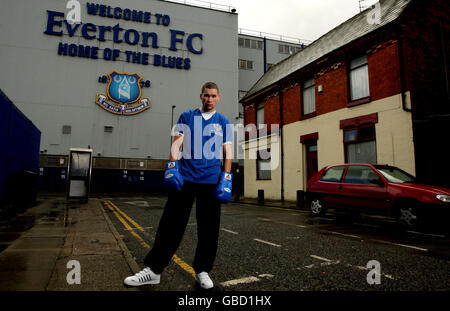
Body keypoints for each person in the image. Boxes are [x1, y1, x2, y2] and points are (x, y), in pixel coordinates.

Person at [124, 82, 233, 289]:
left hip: (211, 180)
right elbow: (177, 143)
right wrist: (172, 166)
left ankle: (202, 270)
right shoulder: (187, 116)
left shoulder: (224, 122)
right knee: (170, 225)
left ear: (218, 98)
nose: (209, 99)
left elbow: (228, 152)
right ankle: (154, 270)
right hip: (185, 178)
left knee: (209, 230)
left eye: (213, 96)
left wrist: (226, 177)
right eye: (206, 95)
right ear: (201, 96)